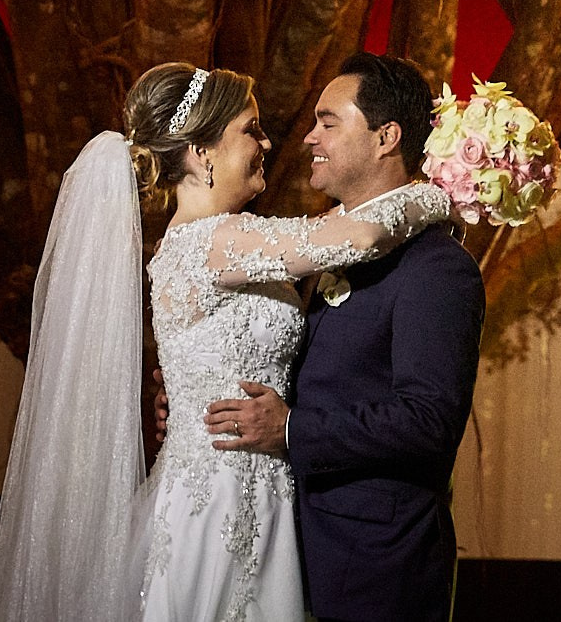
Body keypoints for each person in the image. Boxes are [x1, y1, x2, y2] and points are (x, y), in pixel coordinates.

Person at [0, 62, 452, 622]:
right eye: (251, 129)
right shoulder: (215, 242)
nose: (269, 141)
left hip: (249, 482)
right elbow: (361, 235)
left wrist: (180, 394)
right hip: (223, 493)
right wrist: (440, 197)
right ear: (202, 153)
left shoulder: (215, 242)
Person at [206, 52, 486, 622]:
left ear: (386, 137)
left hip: (378, 569)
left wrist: (291, 428)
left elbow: (429, 421)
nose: (310, 138)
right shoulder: (328, 250)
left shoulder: (436, 267)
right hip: (286, 551)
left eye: (328, 122)